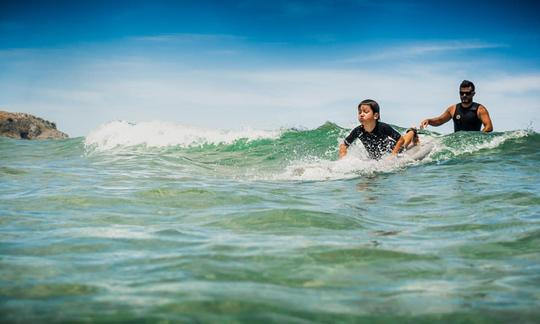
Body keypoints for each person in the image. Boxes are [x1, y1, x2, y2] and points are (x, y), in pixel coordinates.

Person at [339, 99, 418, 160]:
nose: (361, 114)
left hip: (393, 148)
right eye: (359, 112)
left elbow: (400, 140)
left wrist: (393, 156)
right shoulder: (358, 131)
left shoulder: (383, 127)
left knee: (404, 144)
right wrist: (344, 160)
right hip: (377, 157)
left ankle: (412, 131)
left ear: (375, 115)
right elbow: (344, 145)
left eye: (365, 112)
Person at [420, 80, 493, 132]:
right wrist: (429, 121)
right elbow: (440, 120)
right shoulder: (453, 109)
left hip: (472, 146)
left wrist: (476, 139)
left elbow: (489, 127)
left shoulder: (480, 109)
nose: (464, 95)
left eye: (467, 93)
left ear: (473, 93)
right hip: (457, 145)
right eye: (462, 93)